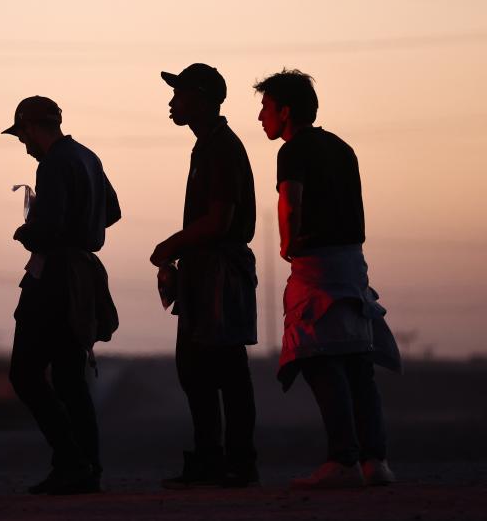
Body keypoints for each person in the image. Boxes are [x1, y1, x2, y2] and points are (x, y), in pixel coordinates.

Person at [255, 69, 401, 489]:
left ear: (285, 111)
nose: (261, 118)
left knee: (319, 357)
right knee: (357, 363)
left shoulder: (293, 150)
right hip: (352, 264)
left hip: (317, 266)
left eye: (265, 109)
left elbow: (291, 199)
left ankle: (342, 459)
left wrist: (288, 242)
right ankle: (376, 460)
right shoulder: (342, 148)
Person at [3, 96, 121, 495]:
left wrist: (26, 231)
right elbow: (113, 211)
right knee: (72, 380)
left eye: (23, 135)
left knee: (25, 373)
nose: (24, 144)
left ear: (33, 127)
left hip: (54, 277)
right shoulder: (88, 157)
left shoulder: (52, 163)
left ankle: (70, 460)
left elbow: (48, 228)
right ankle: (89, 467)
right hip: (83, 276)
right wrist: (82, 222)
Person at [150, 63, 259, 488]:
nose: (172, 102)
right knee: (202, 370)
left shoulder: (220, 148)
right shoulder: (209, 146)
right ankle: (218, 460)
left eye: (179, 93)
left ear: (200, 97)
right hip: (206, 269)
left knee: (222, 370)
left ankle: (233, 463)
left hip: (219, 271)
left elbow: (219, 220)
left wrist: (171, 246)